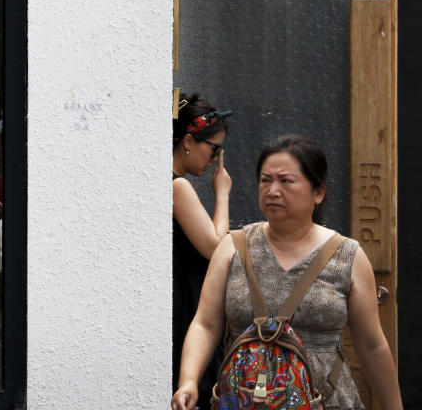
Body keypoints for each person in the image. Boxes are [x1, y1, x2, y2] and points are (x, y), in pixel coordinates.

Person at [172, 135, 403, 410]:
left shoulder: (347, 255)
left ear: (318, 192)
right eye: (266, 180)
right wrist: (188, 381)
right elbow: (205, 325)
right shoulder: (233, 247)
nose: (272, 190)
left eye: (286, 181)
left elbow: (372, 345)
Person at [172, 94, 232, 408]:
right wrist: (222, 194)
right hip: (183, 304)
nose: (215, 159)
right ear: (188, 142)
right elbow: (215, 247)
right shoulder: (177, 186)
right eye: (214, 149)